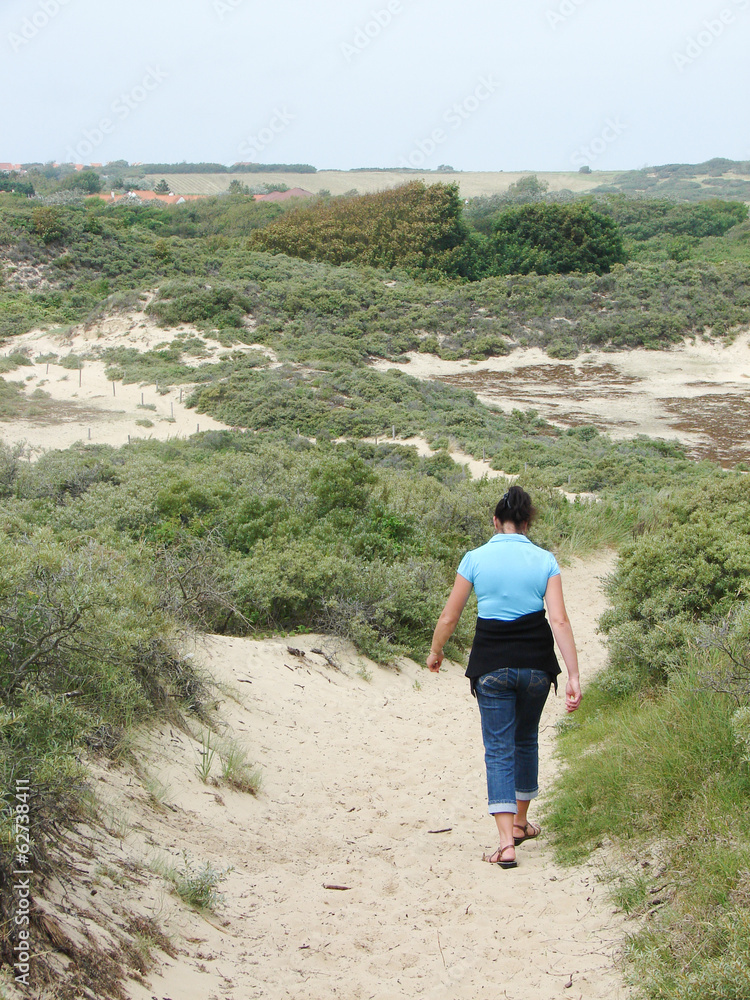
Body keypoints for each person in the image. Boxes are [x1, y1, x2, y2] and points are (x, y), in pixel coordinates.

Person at [426, 486, 581, 869]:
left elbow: (450, 616)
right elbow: (559, 620)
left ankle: (504, 844)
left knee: (498, 748)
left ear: (496, 522)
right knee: (526, 740)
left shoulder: (475, 558)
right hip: (536, 667)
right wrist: (574, 674)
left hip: (491, 665)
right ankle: (521, 824)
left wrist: (436, 651)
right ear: (527, 524)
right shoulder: (545, 559)